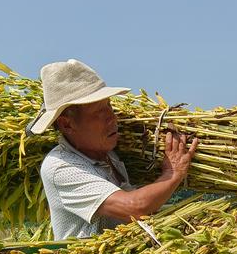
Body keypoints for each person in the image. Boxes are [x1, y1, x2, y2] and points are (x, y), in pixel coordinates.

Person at [28, 59, 198, 240]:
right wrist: (173, 172)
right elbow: (134, 207)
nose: (112, 118)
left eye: (109, 106)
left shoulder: (109, 154)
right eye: (98, 112)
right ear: (67, 124)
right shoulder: (61, 167)